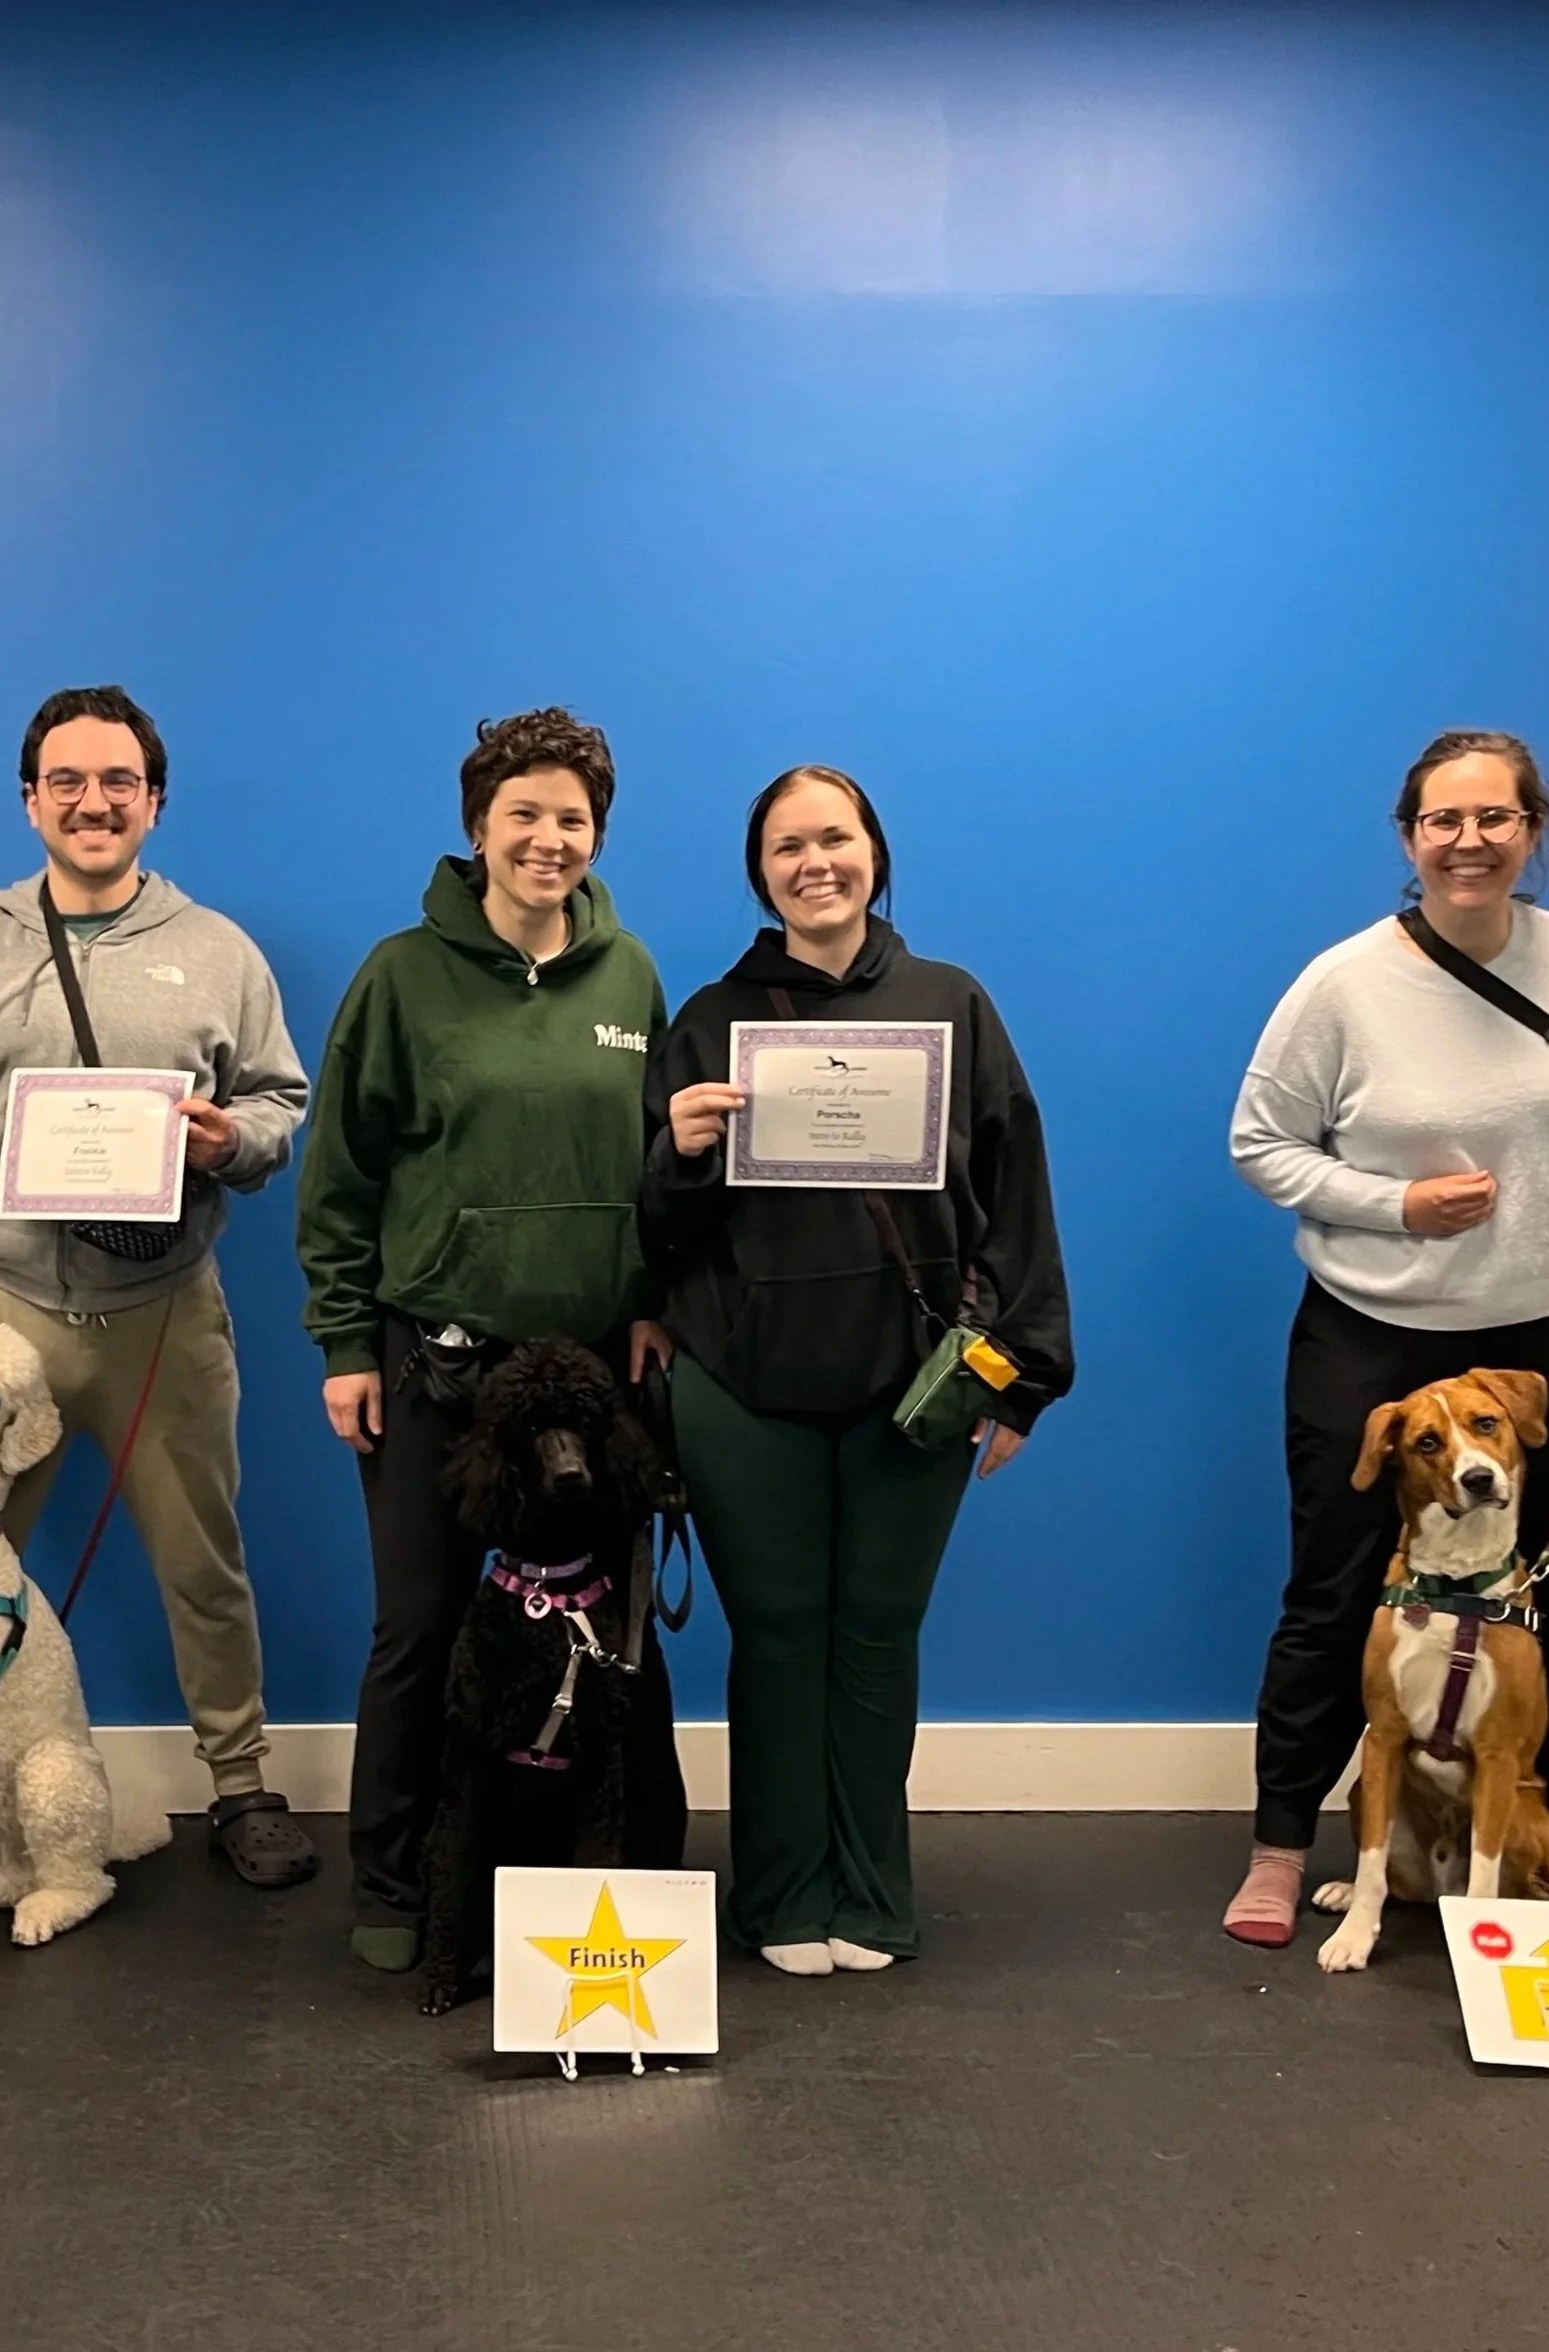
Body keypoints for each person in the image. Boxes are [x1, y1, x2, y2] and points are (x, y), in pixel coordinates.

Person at [1222, 727, 1549, 1947]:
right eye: (1442, 820)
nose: (1468, 840)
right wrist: (1393, 1202)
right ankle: (1278, 1845)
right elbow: (1260, 1145)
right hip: (1377, 1331)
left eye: (1494, 818)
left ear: (1531, 830)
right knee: (1333, 1588)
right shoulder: (1342, 983)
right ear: (1409, 838)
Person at [0, 685, 316, 1890]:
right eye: (67, 780)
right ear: (30, 800)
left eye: (118, 781)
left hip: (164, 1309)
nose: (93, 801)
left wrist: (233, 1143)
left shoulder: (219, 951)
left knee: (200, 1558)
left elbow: (280, 1099)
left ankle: (241, 1782)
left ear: (153, 801)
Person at [641, 765, 1073, 1974]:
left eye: (834, 838)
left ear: (874, 853)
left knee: (878, 1634)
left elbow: (1015, 1198)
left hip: (915, 1387)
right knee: (775, 1636)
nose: (812, 862)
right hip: (740, 1387)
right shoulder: (710, 1016)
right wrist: (675, 1152)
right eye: (786, 845)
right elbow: (653, 1234)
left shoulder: (954, 1003)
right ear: (758, 869)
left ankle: (872, 1891)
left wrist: (1022, 1376)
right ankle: (780, 1893)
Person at [296, 707, 678, 1974]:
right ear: (477, 828)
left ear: (595, 836)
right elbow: (340, 1176)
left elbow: (655, 1175)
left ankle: (611, 1879)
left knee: (610, 1634)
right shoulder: (400, 974)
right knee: (420, 1625)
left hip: (590, 1374)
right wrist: (347, 1341)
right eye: (523, 813)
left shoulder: (630, 980)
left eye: (571, 818)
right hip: (435, 1361)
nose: (547, 838)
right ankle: (395, 1882)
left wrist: (650, 1309)